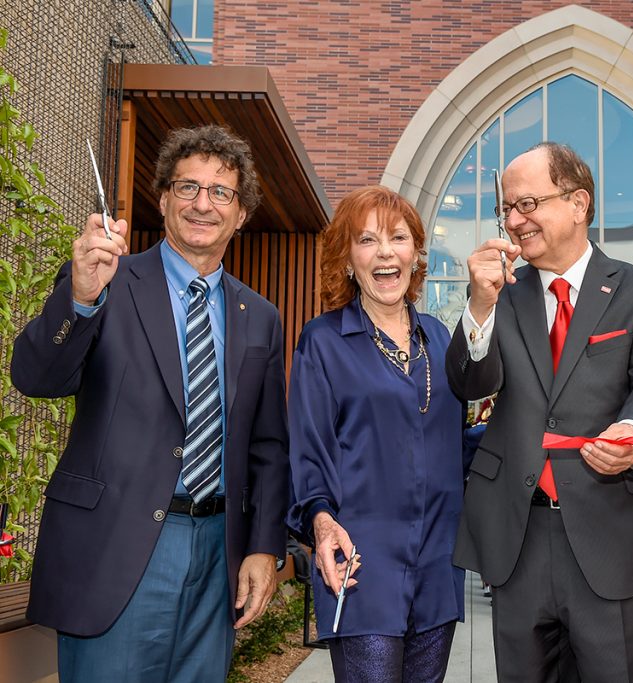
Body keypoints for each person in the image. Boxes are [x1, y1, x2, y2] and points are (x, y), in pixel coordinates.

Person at [11, 125, 289, 681]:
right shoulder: (106, 280)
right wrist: (82, 298)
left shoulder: (259, 316)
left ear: (241, 214)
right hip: (116, 547)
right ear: (162, 199)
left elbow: (268, 445)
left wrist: (263, 547)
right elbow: (35, 376)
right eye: (187, 187)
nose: (201, 204)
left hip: (216, 555)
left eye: (220, 192)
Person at [446, 142, 633, 682]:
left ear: (578, 203)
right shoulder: (499, 294)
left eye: (527, 204)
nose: (513, 220)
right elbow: (467, 384)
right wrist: (479, 306)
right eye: (506, 209)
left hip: (617, 538)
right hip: (519, 541)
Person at [287, 186, 466, 682]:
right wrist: (320, 522)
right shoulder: (322, 341)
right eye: (367, 240)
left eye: (398, 238)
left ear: (414, 254)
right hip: (361, 564)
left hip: (438, 564)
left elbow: (461, 440)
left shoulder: (441, 337)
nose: (385, 252)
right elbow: (309, 451)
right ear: (348, 259)